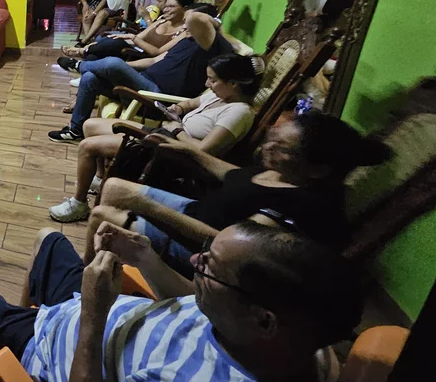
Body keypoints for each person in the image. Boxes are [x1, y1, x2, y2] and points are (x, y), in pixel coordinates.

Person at [0, 212, 361, 382]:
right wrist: (144, 257)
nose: (195, 262)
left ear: (264, 319)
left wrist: (93, 313)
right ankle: (14, 335)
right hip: (93, 314)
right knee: (46, 236)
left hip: (67, 350)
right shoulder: (308, 348)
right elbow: (196, 307)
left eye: (210, 267)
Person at [92, 109, 391, 275]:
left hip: (202, 250)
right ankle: (108, 266)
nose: (267, 148)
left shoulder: (304, 205)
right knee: (115, 186)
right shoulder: (282, 171)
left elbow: (223, 242)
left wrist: (150, 207)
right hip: (196, 212)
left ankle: (91, 278)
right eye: (272, 138)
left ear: (319, 169)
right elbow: (232, 175)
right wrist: (190, 151)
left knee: (103, 215)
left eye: (282, 147)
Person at [49, 53, 264, 222]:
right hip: (166, 133)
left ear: (233, 84)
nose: (208, 84)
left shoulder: (238, 113)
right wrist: (178, 108)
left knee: (87, 146)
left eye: (213, 80)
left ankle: (79, 204)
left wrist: (177, 131)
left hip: (173, 151)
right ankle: (99, 177)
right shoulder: (218, 96)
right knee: (90, 125)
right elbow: (191, 103)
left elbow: (205, 152)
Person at [48, 3, 233, 143]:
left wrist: (213, 22)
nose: (185, 27)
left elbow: (196, 20)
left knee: (113, 63)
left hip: (158, 97)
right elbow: (153, 60)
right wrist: (125, 69)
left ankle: (78, 65)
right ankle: (75, 130)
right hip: (143, 83)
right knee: (91, 78)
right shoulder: (186, 40)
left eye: (187, 23)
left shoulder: (212, 46)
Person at [62, 0, 189, 65]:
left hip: (141, 55)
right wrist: (125, 38)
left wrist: (134, 35)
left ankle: (80, 52)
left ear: (185, 9)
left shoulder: (184, 31)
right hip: (137, 44)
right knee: (106, 40)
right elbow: (140, 36)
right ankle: (82, 67)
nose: (165, 9)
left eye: (170, 6)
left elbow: (156, 52)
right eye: (165, 5)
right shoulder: (161, 20)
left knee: (113, 44)